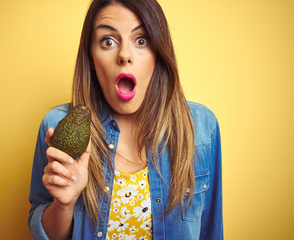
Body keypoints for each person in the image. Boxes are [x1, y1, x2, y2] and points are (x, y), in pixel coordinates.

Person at [28, 0, 223, 239]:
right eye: (108, 41)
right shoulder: (57, 126)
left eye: (141, 40)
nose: (124, 56)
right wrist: (64, 204)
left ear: (158, 53)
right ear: (90, 56)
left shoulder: (201, 128)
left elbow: (211, 231)